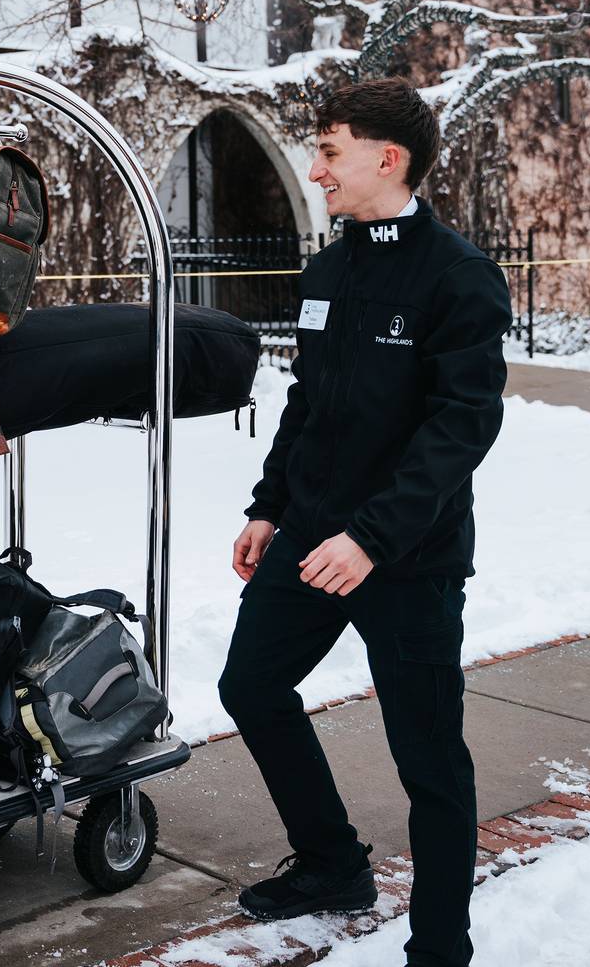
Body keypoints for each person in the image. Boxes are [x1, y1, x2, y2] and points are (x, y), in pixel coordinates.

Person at [219, 78, 511, 967]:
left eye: (330, 151)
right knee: (251, 687)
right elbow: (310, 399)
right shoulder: (331, 268)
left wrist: (374, 538)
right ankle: (333, 865)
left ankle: (440, 945)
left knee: (428, 758)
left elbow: (462, 425)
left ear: (389, 158)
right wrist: (271, 505)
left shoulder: (459, 276)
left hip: (407, 557)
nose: (314, 170)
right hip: (311, 535)